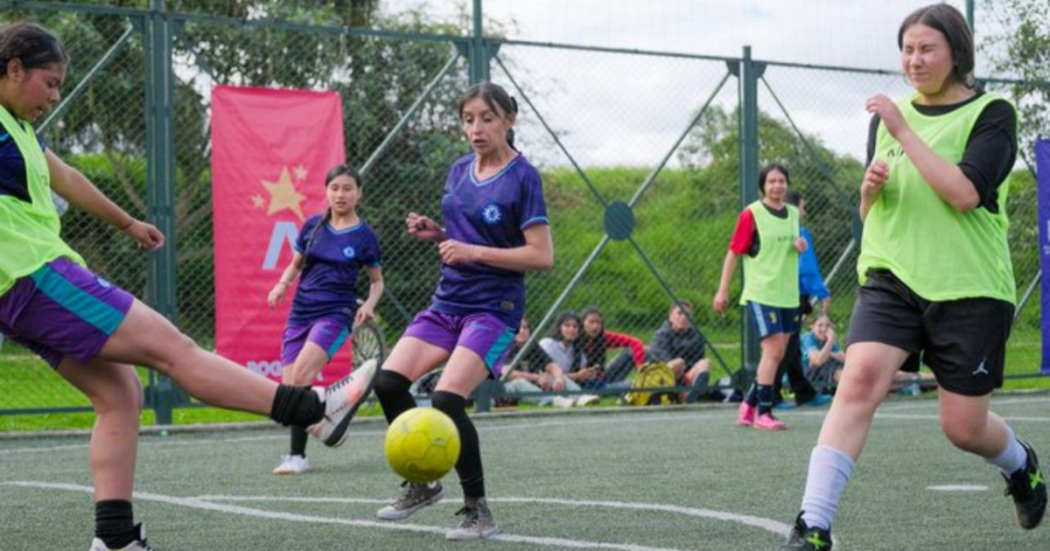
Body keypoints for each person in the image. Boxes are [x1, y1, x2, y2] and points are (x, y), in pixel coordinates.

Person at [0, 22, 353, 551]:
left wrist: (127, 223)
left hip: (26, 284)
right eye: (48, 83)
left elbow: (67, 177)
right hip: (32, 274)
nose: (54, 95)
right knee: (174, 349)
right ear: (13, 70)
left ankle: (115, 538)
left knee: (120, 393)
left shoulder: (22, 130)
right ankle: (311, 410)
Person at [779, 5, 1046, 549]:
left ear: (957, 52)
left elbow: (965, 193)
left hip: (968, 286)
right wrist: (870, 190)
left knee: (963, 427)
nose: (914, 60)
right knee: (855, 382)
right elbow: (871, 209)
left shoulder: (993, 113)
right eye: (907, 49)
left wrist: (903, 127)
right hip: (891, 275)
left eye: (927, 49)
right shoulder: (886, 119)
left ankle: (1022, 468)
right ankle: (813, 526)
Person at [370, 82, 553, 540]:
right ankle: (423, 483)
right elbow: (464, 236)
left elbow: (540, 256)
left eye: (486, 118)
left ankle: (478, 510)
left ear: (509, 120)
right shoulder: (457, 171)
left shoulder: (523, 177)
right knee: (389, 381)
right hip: (447, 302)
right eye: (468, 119)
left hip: (494, 309)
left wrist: (472, 251)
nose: (476, 128)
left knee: (448, 400)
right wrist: (437, 234)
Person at [266, 163, 384, 475]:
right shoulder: (312, 226)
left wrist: (370, 304)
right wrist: (281, 285)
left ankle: (296, 456)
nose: (340, 194)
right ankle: (321, 420)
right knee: (291, 389)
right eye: (335, 188)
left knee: (302, 374)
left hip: (335, 314)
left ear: (358, 193)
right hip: (300, 312)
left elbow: (377, 281)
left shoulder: (365, 236)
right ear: (326, 192)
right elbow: (296, 264)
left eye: (347, 188)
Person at [714, 163, 806, 431]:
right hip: (762, 292)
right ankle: (763, 413)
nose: (777, 185)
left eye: (781, 181)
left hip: (788, 294)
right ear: (763, 186)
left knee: (777, 355)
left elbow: (791, 246)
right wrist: (723, 290)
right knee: (774, 351)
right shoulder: (751, 214)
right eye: (772, 181)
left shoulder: (791, 213)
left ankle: (748, 405)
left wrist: (799, 246)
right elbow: (734, 253)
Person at [773, 190, 832, 409]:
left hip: (776, 292)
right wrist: (822, 291)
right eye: (803, 206)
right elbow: (806, 268)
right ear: (794, 208)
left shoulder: (775, 231)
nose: (804, 211)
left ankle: (803, 392)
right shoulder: (798, 231)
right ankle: (770, 394)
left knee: (792, 345)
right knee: (785, 346)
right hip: (792, 295)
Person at [500, 318, 578, 408]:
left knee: (559, 377)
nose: (522, 331)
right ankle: (553, 400)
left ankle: (580, 397)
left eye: (525, 328)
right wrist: (537, 377)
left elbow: (552, 366)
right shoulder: (504, 346)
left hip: (532, 385)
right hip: (508, 388)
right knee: (519, 382)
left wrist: (558, 379)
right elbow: (507, 372)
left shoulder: (533, 347)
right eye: (518, 328)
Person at [649, 300, 712, 402]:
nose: (683, 318)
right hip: (664, 378)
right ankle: (677, 394)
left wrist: (687, 376)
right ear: (671, 316)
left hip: (685, 378)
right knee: (679, 363)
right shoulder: (661, 335)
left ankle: (690, 395)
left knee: (705, 363)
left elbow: (696, 361)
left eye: (687, 315)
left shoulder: (696, 336)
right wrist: (681, 366)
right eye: (680, 313)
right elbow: (664, 363)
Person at [537, 310, 602, 404]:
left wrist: (586, 375)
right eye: (567, 325)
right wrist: (577, 375)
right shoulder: (547, 344)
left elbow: (579, 374)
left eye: (575, 326)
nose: (571, 329)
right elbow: (545, 375)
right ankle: (580, 398)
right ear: (559, 328)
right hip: (544, 383)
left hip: (564, 385)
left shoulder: (577, 350)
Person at [578, 305, 645, 387]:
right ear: (582, 323)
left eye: (598, 322)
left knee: (630, 351)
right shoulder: (575, 338)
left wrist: (640, 366)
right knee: (630, 385)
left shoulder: (603, 336)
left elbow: (635, 342)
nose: (595, 326)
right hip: (581, 381)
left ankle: (645, 377)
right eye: (591, 322)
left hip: (602, 379)